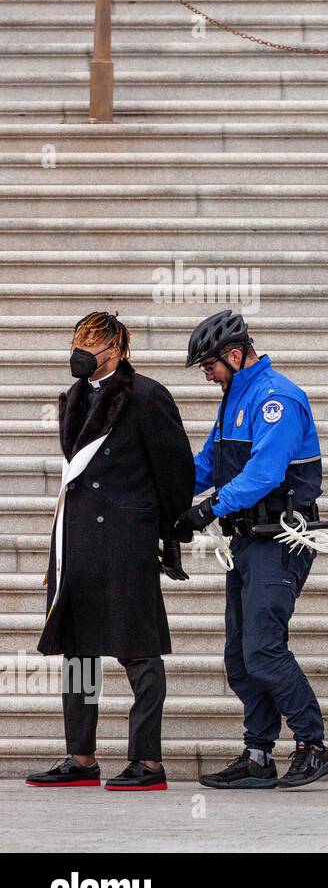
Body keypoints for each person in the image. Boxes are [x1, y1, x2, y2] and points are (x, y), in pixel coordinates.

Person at [27, 313, 194, 791]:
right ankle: (81, 756)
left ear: (118, 349)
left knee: (139, 654)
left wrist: (172, 537)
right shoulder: (76, 397)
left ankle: (148, 761)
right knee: (78, 653)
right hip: (77, 541)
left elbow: (174, 471)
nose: (82, 351)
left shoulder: (146, 394)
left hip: (124, 541)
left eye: (93, 343)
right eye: (78, 341)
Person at [175, 311, 328, 789]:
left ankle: (311, 745)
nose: (206, 373)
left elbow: (264, 474)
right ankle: (257, 754)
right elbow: (207, 463)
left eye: (209, 364)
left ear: (236, 353)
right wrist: (164, 491)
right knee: (240, 656)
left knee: (263, 649)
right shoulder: (234, 398)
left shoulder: (276, 399)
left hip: (279, 539)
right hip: (247, 541)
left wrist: (206, 511)